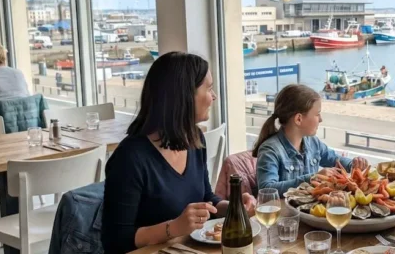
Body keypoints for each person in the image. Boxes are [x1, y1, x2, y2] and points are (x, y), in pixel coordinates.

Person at [102, 52, 257, 253]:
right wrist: (173, 227)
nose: (214, 96)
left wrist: (234, 208)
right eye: (209, 88)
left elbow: (206, 198)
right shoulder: (130, 158)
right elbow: (115, 241)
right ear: (184, 96)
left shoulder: (194, 139)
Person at [254, 84, 368, 192]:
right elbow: (266, 189)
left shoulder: (313, 143)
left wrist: (353, 164)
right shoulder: (270, 150)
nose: (321, 119)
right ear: (299, 119)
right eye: (317, 114)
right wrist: (313, 178)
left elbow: (335, 160)